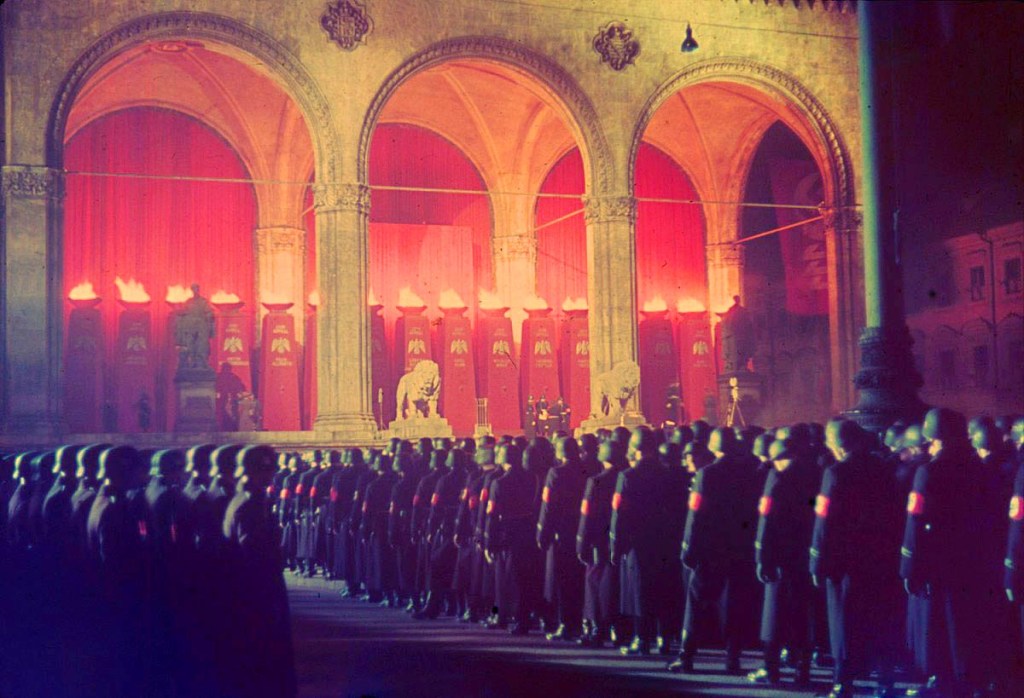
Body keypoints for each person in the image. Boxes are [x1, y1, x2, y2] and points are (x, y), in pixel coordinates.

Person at [900, 408, 981, 698]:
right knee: (965, 622)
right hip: (972, 559)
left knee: (936, 625)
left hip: (937, 563)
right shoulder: (979, 467)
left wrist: (909, 566)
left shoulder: (929, 471)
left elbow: (916, 521)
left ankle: (941, 681)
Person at [670, 427, 760, 673]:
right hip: (739, 547)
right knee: (733, 603)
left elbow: (695, 514)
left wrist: (688, 548)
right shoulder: (749, 472)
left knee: (696, 602)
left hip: (710, 550)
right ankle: (733, 657)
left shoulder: (706, 474)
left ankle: (686, 655)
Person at [222, 445, 297, 697]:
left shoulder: (245, 499)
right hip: (257, 589)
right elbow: (252, 550)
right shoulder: (250, 504)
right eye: (265, 471)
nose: (270, 476)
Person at [746, 437, 820, 688]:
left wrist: (761, 558)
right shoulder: (816, 475)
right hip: (805, 556)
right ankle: (803, 670)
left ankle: (771, 668)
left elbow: (766, 521)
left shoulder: (777, 479)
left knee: (773, 616)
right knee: (802, 615)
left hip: (779, 557)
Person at [611, 427, 677, 657]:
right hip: (664, 540)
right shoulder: (667, 473)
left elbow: (619, 514)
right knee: (663, 588)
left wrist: (616, 544)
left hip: (637, 542)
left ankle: (641, 639)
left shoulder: (627, 476)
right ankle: (664, 638)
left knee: (639, 592)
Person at [484, 442, 543, 635]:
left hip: (507, 534)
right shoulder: (533, 478)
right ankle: (524, 617)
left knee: (506, 580)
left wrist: (488, 542)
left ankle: (505, 616)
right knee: (526, 578)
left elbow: (492, 515)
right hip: (528, 532)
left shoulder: (499, 483)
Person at [576, 437, 628, 648]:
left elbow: (586, 514)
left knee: (594, 585)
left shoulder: (595, 481)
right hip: (620, 538)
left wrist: (581, 543)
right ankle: (617, 630)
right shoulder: (625, 477)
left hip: (598, 541)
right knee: (616, 584)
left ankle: (596, 628)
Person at [537, 436, 589, 642]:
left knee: (561, 582)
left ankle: (566, 624)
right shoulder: (588, 470)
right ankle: (580, 623)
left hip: (561, 534)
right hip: (582, 532)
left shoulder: (556, 473)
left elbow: (547, 506)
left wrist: (542, 533)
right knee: (579, 581)